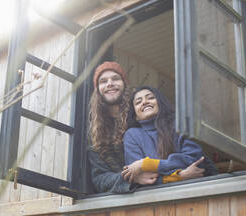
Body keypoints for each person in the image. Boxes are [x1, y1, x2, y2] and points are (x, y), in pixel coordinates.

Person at [88, 61, 209, 194]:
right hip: (135, 199)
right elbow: (100, 179)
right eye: (103, 81)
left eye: (115, 78)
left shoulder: (158, 122)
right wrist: (132, 178)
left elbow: (195, 159)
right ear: (97, 90)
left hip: (191, 189)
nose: (110, 83)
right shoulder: (96, 134)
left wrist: (146, 167)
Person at [121, 86, 218, 184]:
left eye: (150, 97)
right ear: (135, 115)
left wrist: (145, 164)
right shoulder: (132, 135)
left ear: (160, 103)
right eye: (138, 102)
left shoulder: (180, 123)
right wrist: (179, 176)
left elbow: (194, 159)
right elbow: (140, 178)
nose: (145, 102)